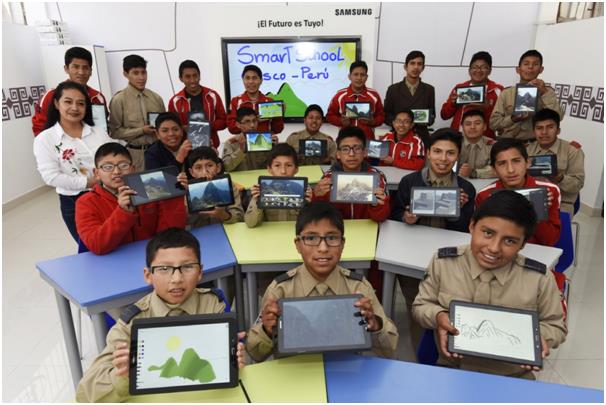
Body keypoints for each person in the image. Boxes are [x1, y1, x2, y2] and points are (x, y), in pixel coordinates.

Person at [75, 228, 247, 402]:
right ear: (148, 275)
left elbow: (222, 363)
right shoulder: (132, 321)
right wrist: (123, 375)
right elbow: (85, 393)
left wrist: (231, 360)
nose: (177, 278)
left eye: (187, 267)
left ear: (200, 272)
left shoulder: (213, 304)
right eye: (164, 269)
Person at [412, 191, 567, 379]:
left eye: (509, 241)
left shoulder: (539, 278)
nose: (494, 248)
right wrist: (438, 316)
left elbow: (556, 325)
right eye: (487, 233)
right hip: (452, 371)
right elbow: (421, 306)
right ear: (471, 226)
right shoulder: (444, 262)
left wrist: (535, 337)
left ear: (523, 244)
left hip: (513, 376)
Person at [246, 202, 399, 361]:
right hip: (295, 374)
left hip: (344, 372)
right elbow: (255, 353)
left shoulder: (358, 288)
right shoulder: (280, 290)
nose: (323, 248)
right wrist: (266, 329)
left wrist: (375, 325)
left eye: (332, 238)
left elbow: (389, 349)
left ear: (342, 244)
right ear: (298, 245)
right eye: (311, 238)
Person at [389, 128, 476, 355]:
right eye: (437, 151)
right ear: (427, 152)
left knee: (447, 304)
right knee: (418, 305)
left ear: (458, 156)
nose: (443, 159)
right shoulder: (410, 182)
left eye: (450, 153)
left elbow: (467, 231)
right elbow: (395, 214)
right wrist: (406, 217)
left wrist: (459, 211)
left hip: (449, 259)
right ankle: (423, 355)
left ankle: (450, 353)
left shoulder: (465, 188)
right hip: (411, 254)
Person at [33, 81, 114, 243]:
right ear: (56, 104)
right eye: (68, 102)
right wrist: (88, 182)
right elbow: (50, 176)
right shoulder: (46, 139)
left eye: (81, 103)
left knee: (114, 240)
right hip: (74, 201)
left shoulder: (98, 133)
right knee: (89, 247)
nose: (75, 108)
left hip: (109, 196)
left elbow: (114, 158)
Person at [75, 143, 188, 255]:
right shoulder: (86, 202)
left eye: (123, 165)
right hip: (113, 262)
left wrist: (175, 196)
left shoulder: (150, 190)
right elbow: (97, 245)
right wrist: (123, 212)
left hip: (150, 256)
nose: (116, 172)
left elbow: (169, 236)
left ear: (133, 169)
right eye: (108, 167)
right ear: (97, 173)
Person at [476, 138, 561, 246]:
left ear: (528, 163)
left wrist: (538, 212)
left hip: (536, 251)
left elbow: (550, 240)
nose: (511, 170)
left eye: (516, 161)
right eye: (502, 164)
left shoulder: (550, 191)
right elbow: (482, 236)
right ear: (494, 170)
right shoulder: (484, 196)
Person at [313, 127, 390, 222]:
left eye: (357, 148)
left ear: (365, 152)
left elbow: (381, 217)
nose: (351, 154)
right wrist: (316, 197)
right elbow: (320, 215)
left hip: (368, 229)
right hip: (338, 229)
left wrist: (377, 206)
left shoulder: (377, 177)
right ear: (338, 154)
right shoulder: (328, 178)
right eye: (345, 149)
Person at [32, 46, 108, 137]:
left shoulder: (97, 97)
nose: (81, 72)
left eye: (85, 68)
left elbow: (104, 127)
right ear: (66, 68)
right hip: (63, 149)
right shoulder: (51, 96)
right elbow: (39, 128)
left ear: (91, 71)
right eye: (75, 67)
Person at [490, 50, 563, 141]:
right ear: (518, 69)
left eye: (535, 64)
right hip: (508, 143)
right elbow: (493, 124)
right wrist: (512, 119)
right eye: (526, 64)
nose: (530, 67)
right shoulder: (507, 93)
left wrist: (544, 93)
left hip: (535, 144)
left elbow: (558, 117)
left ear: (541, 69)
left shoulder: (547, 91)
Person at [109, 54, 166, 171]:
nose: (141, 77)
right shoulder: (119, 100)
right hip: (134, 154)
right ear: (125, 74)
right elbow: (114, 132)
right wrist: (141, 130)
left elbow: (165, 125)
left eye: (143, 72)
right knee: (136, 188)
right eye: (135, 73)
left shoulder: (156, 98)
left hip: (158, 152)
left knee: (160, 187)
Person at [526, 108, 585, 215]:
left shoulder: (572, 151)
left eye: (550, 127)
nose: (544, 132)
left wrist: (560, 178)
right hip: (531, 199)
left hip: (561, 202)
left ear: (558, 130)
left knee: (546, 227)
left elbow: (578, 184)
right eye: (539, 128)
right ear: (534, 131)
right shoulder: (526, 150)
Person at [245, 143, 313, 227]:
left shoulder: (302, 189)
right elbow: (250, 223)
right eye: (277, 165)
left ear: (296, 169)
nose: (283, 171)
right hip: (269, 236)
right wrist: (256, 200)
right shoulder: (263, 189)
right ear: (269, 169)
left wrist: (309, 205)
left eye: (289, 165)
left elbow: (310, 225)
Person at [440, 51, 504, 139]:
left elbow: (501, 123)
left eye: (483, 67)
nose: (478, 70)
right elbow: (444, 115)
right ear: (469, 70)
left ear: (489, 70)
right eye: (475, 67)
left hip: (485, 142)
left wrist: (487, 108)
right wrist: (453, 104)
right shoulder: (459, 88)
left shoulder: (498, 90)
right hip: (458, 139)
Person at [167, 59, 227, 148]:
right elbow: (171, 127)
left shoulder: (212, 96)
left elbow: (224, 121)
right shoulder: (175, 101)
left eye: (195, 76)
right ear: (181, 78)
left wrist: (206, 126)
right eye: (188, 77)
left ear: (200, 76)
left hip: (211, 146)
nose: (192, 80)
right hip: (186, 148)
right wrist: (183, 128)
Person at [181, 146, 244, 228]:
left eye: (210, 165)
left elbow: (239, 216)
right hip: (201, 233)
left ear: (218, 167)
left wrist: (223, 215)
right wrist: (189, 199)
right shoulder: (187, 189)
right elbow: (186, 221)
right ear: (191, 172)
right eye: (198, 168)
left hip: (227, 231)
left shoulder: (228, 185)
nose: (205, 172)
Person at [384, 50, 435, 147]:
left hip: (421, 138)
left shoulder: (429, 89)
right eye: (412, 63)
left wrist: (423, 119)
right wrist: (402, 123)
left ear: (423, 68)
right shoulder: (393, 89)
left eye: (419, 64)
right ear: (405, 66)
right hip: (399, 137)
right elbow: (386, 116)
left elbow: (432, 116)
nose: (416, 67)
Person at [326, 60, 385, 141]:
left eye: (362, 75)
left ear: (366, 77)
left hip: (367, 140)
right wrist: (341, 121)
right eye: (356, 74)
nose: (359, 78)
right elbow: (329, 116)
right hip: (345, 140)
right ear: (349, 76)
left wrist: (372, 122)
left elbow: (381, 116)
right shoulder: (340, 95)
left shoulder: (374, 95)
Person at [226, 64, 284, 135]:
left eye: (254, 78)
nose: (251, 82)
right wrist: (255, 120)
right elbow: (231, 129)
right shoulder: (236, 101)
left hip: (265, 143)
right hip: (243, 143)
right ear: (243, 80)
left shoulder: (270, 102)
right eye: (247, 78)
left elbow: (278, 129)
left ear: (261, 80)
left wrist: (279, 114)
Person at [222, 107, 278, 171]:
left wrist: (275, 149)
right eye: (247, 121)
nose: (252, 125)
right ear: (238, 124)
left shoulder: (265, 139)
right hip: (240, 180)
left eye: (254, 121)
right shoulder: (231, 143)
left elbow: (273, 165)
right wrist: (241, 150)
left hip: (259, 178)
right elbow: (226, 168)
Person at [457, 109, 497, 179]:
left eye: (477, 123)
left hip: (484, 184)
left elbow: (498, 169)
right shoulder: (455, 143)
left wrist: (473, 172)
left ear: (485, 126)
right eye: (468, 124)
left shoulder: (493, 146)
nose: (472, 127)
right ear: (462, 127)